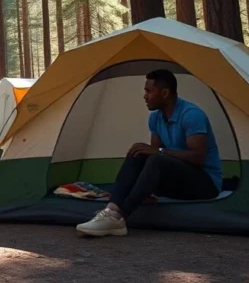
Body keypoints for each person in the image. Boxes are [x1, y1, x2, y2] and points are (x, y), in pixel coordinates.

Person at [76, 69, 222, 237]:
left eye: (148, 91)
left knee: (156, 159)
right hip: (179, 180)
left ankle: (120, 217)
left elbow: (198, 158)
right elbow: (153, 156)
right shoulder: (155, 118)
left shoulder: (192, 115)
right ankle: (111, 210)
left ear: (165, 93)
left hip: (205, 183)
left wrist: (158, 152)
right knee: (138, 152)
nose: (145, 96)